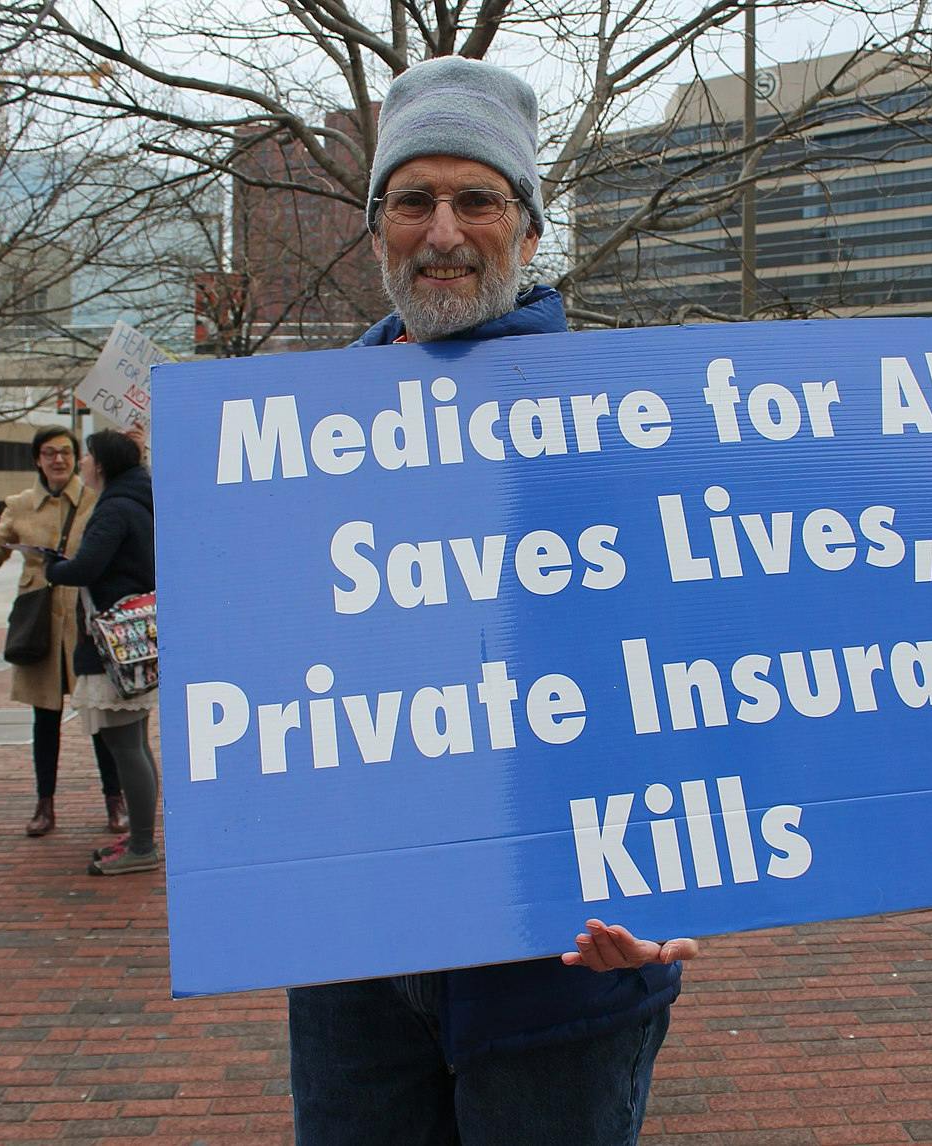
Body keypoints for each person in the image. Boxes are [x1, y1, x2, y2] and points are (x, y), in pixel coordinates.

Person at [284, 56, 698, 1144]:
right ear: (376, 227)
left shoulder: (629, 427)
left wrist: (689, 890)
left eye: (478, 199)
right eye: (412, 200)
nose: (443, 231)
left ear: (528, 226)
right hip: (354, 963)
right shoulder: (286, 448)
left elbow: (719, 682)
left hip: (563, 966)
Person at [0, 426, 127, 838]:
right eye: (48, 453)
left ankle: (116, 801)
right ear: (37, 459)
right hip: (40, 625)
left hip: (87, 622)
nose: (57, 460)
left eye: (65, 452)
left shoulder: (97, 499)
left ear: (77, 458)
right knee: (45, 719)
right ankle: (45, 805)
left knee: (100, 716)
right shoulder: (20, 506)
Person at [43, 430, 160, 876]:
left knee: (125, 746)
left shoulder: (113, 508)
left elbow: (87, 567)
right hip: (134, 643)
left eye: (88, 455)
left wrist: (52, 566)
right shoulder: (140, 501)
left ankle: (142, 846)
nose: (82, 463)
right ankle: (140, 839)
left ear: (103, 463)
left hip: (114, 644)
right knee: (135, 745)